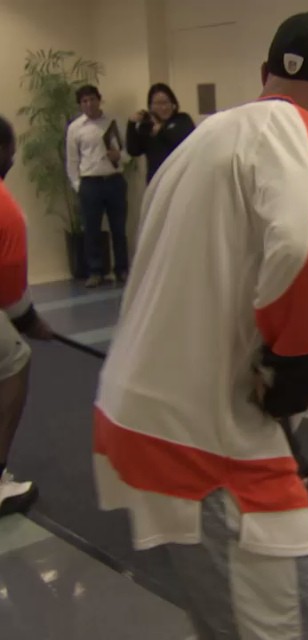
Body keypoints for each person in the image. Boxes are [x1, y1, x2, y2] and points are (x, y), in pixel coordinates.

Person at [92, 11, 308, 639]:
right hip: (204, 436)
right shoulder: (305, 134)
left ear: (263, 74)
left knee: (228, 613)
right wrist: (300, 367)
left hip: (140, 410)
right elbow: (307, 247)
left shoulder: (200, 140)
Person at [0, 116, 53, 518]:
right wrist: (33, 324)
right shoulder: (7, 212)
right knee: (15, 359)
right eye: (11, 149)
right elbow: (12, 296)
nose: (14, 157)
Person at [65, 85, 129, 287]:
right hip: (90, 183)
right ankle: (95, 271)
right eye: (84, 101)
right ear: (80, 104)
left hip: (114, 181)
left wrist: (121, 157)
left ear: (99, 100)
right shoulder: (75, 128)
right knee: (91, 230)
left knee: (119, 228)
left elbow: (128, 151)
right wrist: (79, 186)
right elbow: (72, 161)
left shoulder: (114, 121)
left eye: (92, 99)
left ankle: (122, 269)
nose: (89, 104)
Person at [126, 83, 195, 184]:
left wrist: (161, 131)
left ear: (173, 103)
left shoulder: (182, 119)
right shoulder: (147, 126)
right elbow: (133, 150)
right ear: (150, 106)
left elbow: (183, 141)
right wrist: (131, 125)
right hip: (155, 182)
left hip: (180, 180)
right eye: (158, 104)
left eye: (166, 102)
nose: (163, 108)